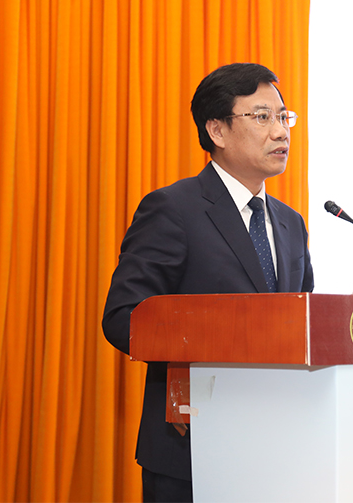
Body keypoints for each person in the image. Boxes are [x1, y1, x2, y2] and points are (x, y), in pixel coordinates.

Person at [102, 63, 314, 502]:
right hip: (191, 451)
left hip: (277, 449)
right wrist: (190, 361)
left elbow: (302, 318)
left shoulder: (291, 224)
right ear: (217, 130)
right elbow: (124, 316)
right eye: (262, 117)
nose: (280, 132)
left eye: (283, 117)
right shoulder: (173, 209)